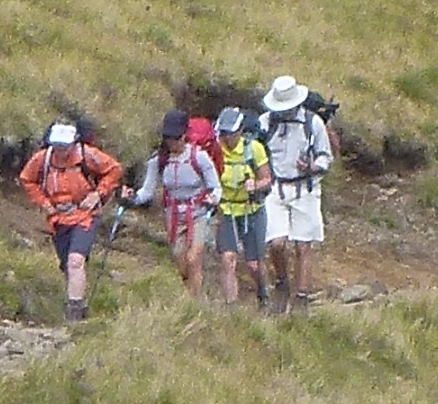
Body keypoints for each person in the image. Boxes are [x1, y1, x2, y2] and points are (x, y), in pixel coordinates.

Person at [18, 121, 125, 321]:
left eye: (64, 147)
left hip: (85, 216)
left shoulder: (88, 155)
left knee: (75, 260)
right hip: (58, 219)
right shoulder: (43, 159)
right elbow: (27, 179)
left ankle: (74, 315)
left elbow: (114, 170)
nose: (60, 152)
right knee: (67, 264)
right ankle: (79, 302)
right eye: (57, 147)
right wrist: (44, 204)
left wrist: (98, 194)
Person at [259, 76, 334, 313]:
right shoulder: (266, 122)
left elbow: (326, 157)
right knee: (277, 243)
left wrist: (312, 166)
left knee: (304, 245)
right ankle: (282, 282)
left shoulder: (313, 124)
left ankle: (301, 298)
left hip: (305, 189)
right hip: (275, 189)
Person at [129, 110, 222, 299]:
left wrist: (213, 200)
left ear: (184, 135)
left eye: (176, 138)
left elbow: (215, 187)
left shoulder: (200, 157)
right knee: (180, 261)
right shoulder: (159, 161)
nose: (172, 143)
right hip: (172, 215)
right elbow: (147, 191)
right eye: (168, 138)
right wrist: (131, 198)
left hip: (198, 213)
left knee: (193, 258)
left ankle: (196, 304)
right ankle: (193, 293)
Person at [213, 107, 273, 307]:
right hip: (226, 210)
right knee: (227, 259)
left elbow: (267, 179)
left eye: (230, 133)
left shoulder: (254, 148)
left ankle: (263, 294)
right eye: (223, 133)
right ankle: (231, 306)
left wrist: (255, 185)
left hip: (251, 209)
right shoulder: (215, 149)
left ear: (240, 131)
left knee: (254, 264)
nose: (226, 138)